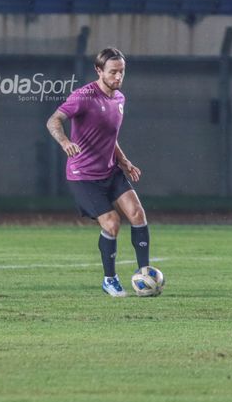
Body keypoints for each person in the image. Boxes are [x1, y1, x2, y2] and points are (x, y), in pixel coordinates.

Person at [46, 47, 151, 297]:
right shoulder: (83, 97)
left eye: (121, 72)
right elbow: (53, 120)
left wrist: (124, 162)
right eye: (113, 72)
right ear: (98, 71)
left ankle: (144, 274)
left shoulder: (119, 99)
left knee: (137, 213)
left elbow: (108, 137)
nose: (118, 77)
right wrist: (64, 142)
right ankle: (109, 279)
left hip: (111, 171)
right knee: (112, 222)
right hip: (84, 176)